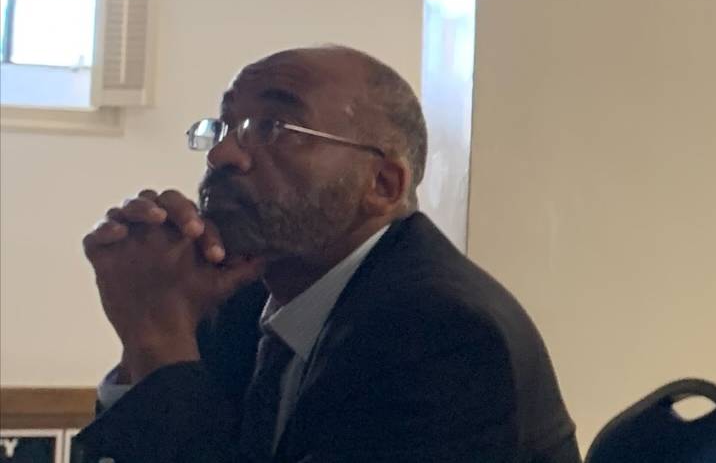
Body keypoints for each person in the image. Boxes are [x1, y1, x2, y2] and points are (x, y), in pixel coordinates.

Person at [73, 46, 580, 463]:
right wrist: (149, 343)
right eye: (225, 127)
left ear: (381, 185)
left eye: (274, 128)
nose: (222, 154)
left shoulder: (443, 336)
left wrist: (155, 338)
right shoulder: (242, 303)